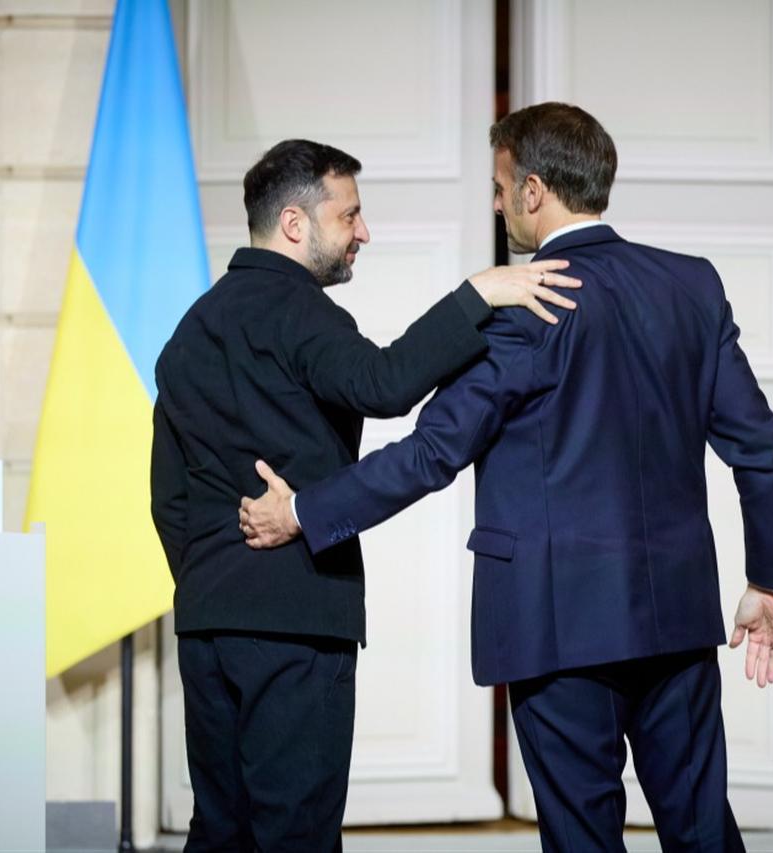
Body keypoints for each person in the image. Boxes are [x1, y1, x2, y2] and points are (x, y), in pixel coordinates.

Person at [239, 105, 773, 853]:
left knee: (582, 838)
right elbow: (758, 446)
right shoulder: (690, 287)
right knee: (702, 831)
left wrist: (305, 511)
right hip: (675, 618)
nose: (497, 203)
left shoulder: (527, 304)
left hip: (555, 624)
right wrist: (767, 580)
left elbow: (430, 453)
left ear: (535, 189)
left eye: (502, 187)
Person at [150, 137, 579, 852]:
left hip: (206, 626)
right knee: (299, 833)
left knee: (220, 829)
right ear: (295, 224)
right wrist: (478, 294)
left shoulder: (190, 331)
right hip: (298, 621)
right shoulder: (298, 311)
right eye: (349, 216)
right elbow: (383, 384)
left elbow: (166, 494)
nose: (363, 233)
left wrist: (208, 583)